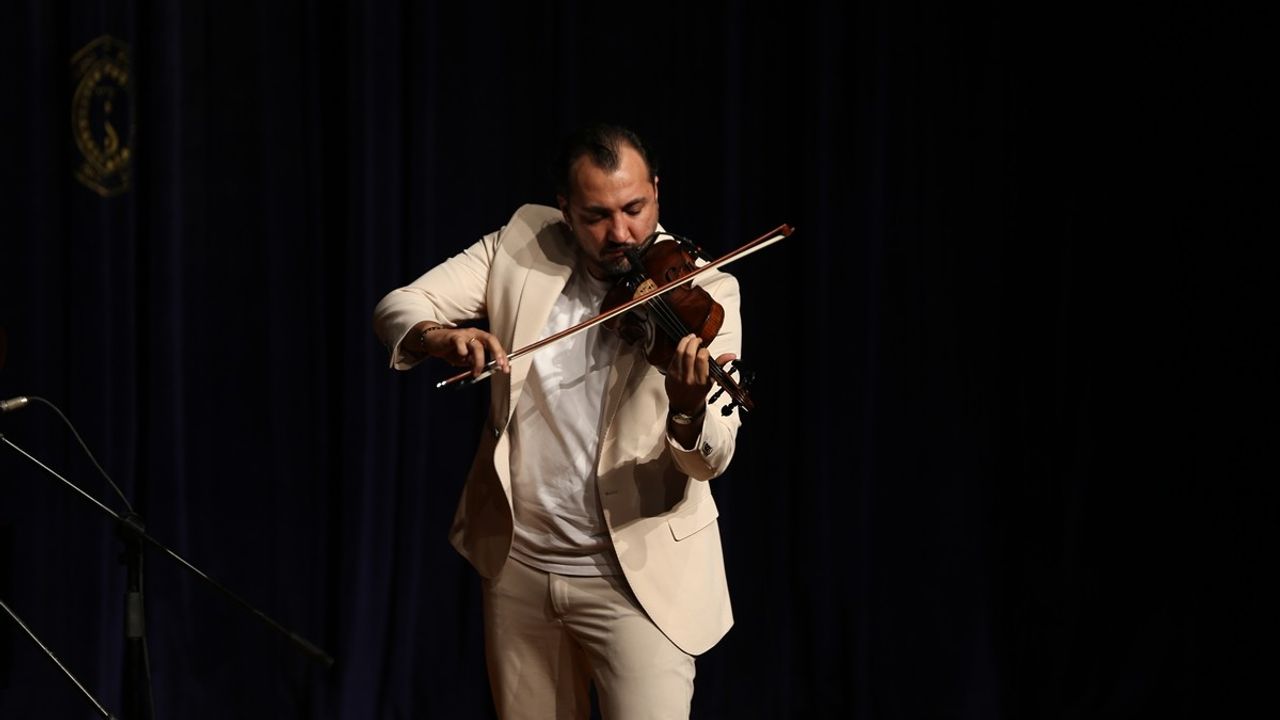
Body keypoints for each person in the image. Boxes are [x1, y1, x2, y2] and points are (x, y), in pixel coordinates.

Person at [372, 124, 743, 720]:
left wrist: (688, 406)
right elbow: (398, 306)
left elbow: (712, 456)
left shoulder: (706, 291)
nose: (620, 234)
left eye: (634, 209)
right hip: (520, 570)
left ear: (656, 192)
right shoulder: (524, 244)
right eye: (597, 215)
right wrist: (440, 336)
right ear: (565, 210)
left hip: (639, 583)